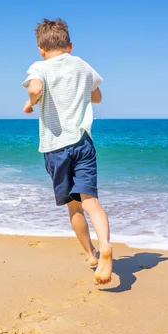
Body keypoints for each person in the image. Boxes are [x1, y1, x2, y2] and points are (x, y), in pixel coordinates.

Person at [22, 18, 112, 285]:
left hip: (55, 146)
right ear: (69, 46)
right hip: (83, 141)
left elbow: (36, 88)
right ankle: (105, 244)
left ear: (41, 48)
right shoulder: (82, 65)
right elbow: (97, 97)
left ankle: (92, 254)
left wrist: (30, 103)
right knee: (90, 200)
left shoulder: (40, 66)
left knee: (74, 207)